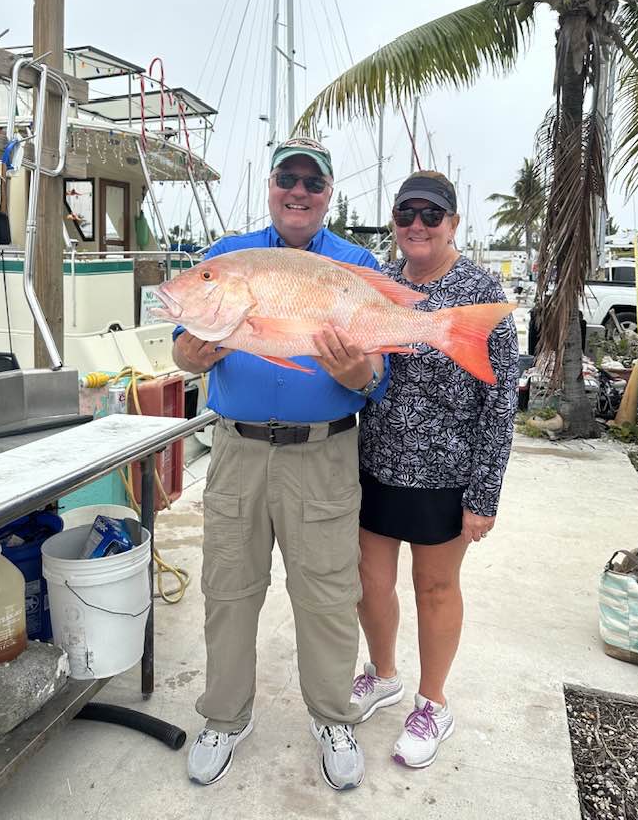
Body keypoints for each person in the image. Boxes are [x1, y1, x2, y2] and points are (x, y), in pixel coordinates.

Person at [173, 137, 389, 790]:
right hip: (236, 451)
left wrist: (361, 374)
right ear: (270, 186)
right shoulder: (226, 260)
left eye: (312, 183)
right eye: (287, 179)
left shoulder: (357, 263)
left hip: (323, 454)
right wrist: (191, 356)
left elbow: (376, 376)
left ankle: (332, 716)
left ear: (328, 195)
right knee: (228, 590)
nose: (298, 191)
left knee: (327, 595)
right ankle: (225, 716)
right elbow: (183, 351)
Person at [349, 170, 518, 769]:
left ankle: (433, 701)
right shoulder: (378, 282)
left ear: (453, 222)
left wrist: (484, 494)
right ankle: (384, 673)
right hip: (376, 460)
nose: (417, 225)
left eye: (431, 214)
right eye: (405, 214)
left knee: (436, 587)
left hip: (447, 470)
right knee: (369, 582)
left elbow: (502, 405)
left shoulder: (480, 291)